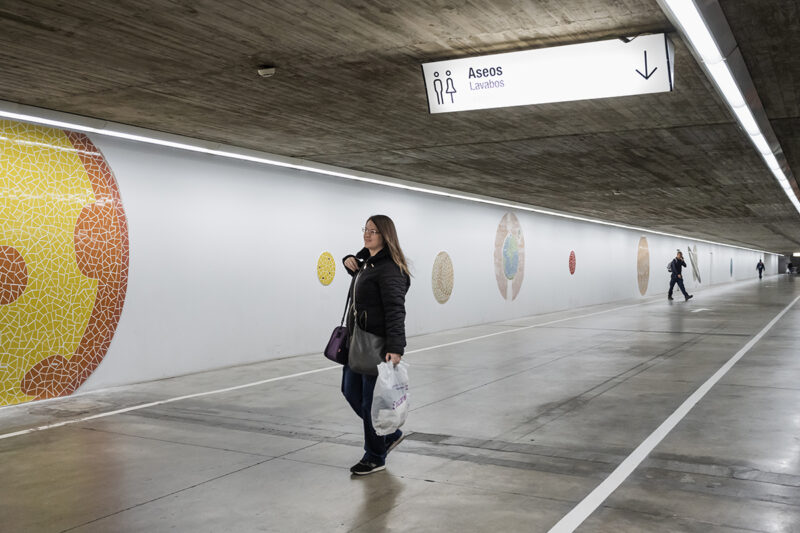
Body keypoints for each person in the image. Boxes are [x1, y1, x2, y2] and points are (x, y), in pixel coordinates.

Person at [341, 215, 411, 475]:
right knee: (350, 390)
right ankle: (389, 435)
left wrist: (396, 347)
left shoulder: (390, 269)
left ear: (386, 236)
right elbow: (359, 273)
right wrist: (349, 259)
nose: (367, 234)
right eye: (366, 229)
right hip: (357, 342)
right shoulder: (368, 264)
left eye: (373, 231)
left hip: (377, 345)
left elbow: (395, 310)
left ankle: (375, 456)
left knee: (370, 404)